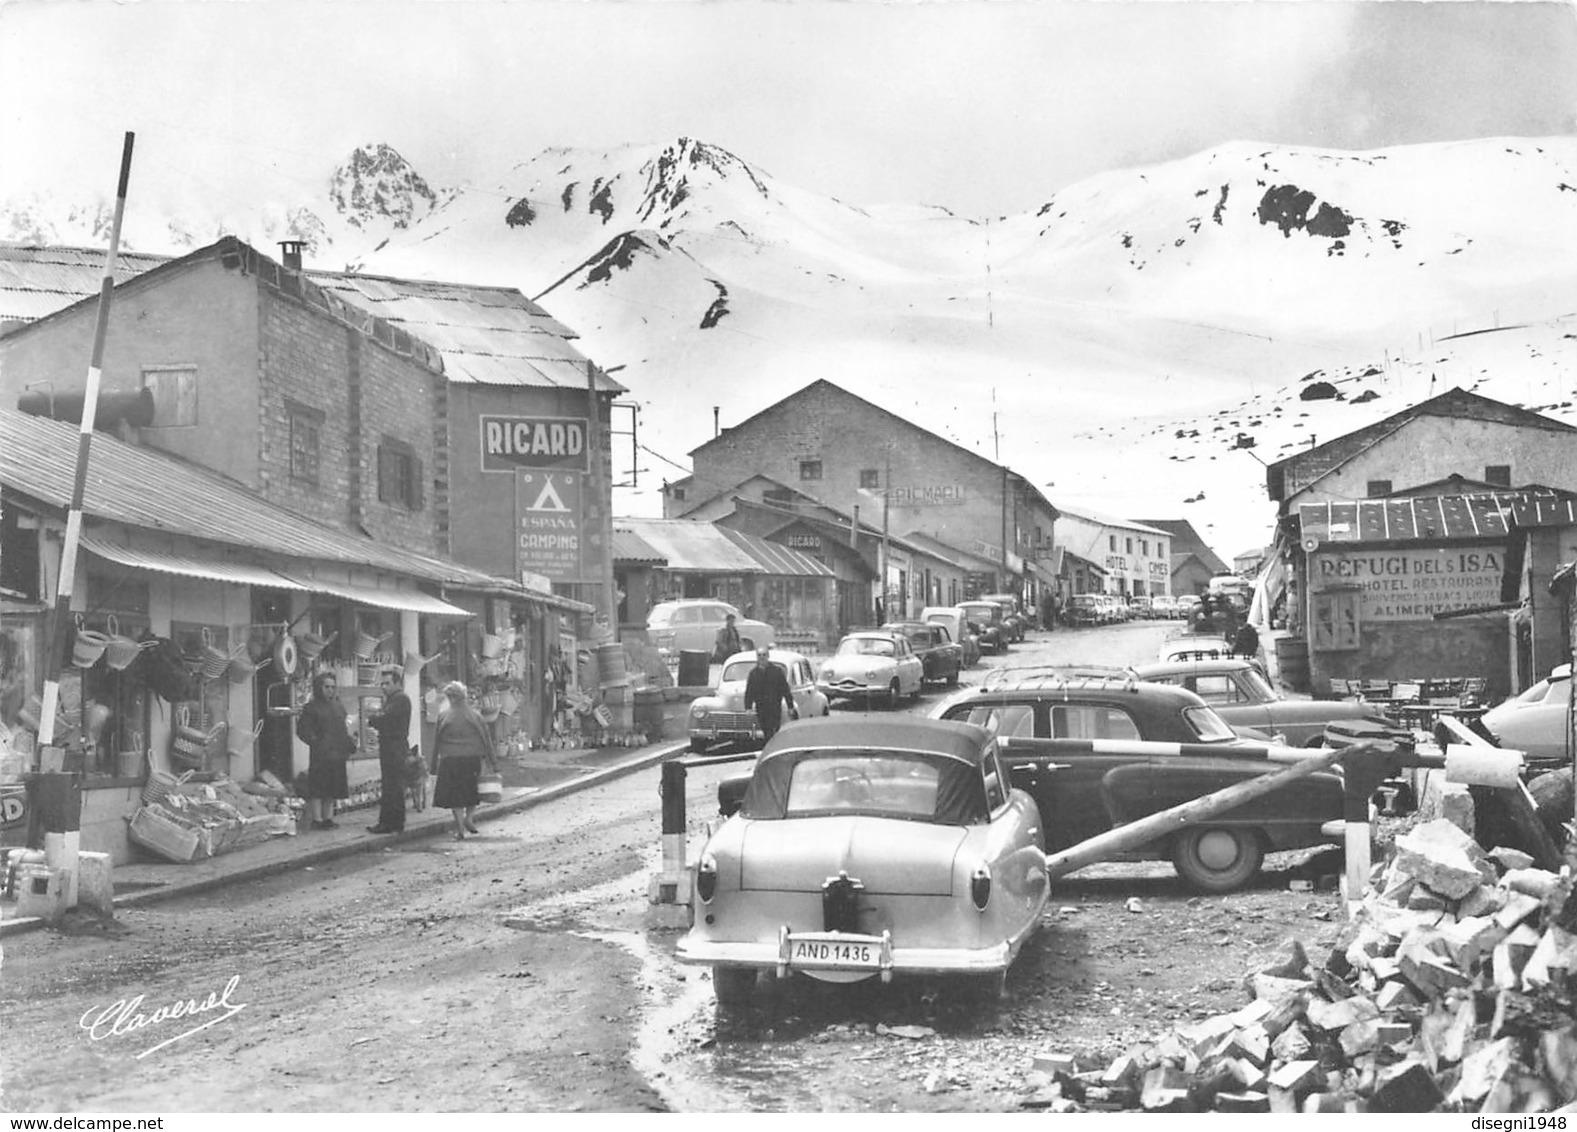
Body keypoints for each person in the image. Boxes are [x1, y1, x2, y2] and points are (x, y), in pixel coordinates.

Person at [431, 680, 499, 841]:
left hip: (450, 759)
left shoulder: (443, 716)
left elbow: (437, 741)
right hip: (472, 758)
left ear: (450, 697)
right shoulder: (475, 715)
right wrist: (493, 762)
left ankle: (460, 826)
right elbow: (486, 739)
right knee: (472, 791)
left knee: (455, 795)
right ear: (465, 696)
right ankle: (469, 818)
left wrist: (433, 765)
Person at [296, 671, 356, 830]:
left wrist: (349, 743)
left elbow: (343, 728)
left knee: (333, 786)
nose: (330, 690)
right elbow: (303, 730)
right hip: (321, 754)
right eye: (326, 687)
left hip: (337, 752)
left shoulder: (338, 707)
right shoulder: (311, 708)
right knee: (318, 787)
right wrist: (316, 742)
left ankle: (328, 817)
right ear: (319, 688)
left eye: (333, 687)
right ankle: (317, 819)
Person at [366, 665, 411, 835]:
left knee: (391, 784)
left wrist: (373, 718)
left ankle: (389, 822)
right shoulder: (393, 700)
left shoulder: (400, 699)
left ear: (397, 683)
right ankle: (394, 822)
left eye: (387, 683)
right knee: (391, 784)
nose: (384, 687)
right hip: (391, 744)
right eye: (382, 684)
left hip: (394, 745)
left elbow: (384, 718)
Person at [743, 647, 796, 744]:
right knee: (766, 730)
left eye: (764, 655)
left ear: (768, 656)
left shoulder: (776, 671)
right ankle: (768, 746)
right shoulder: (753, 673)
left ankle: (774, 746)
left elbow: (785, 689)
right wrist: (748, 707)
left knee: (774, 729)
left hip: (774, 706)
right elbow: (750, 691)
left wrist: (790, 706)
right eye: (759, 655)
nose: (762, 657)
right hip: (761, 707)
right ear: (757, 657)